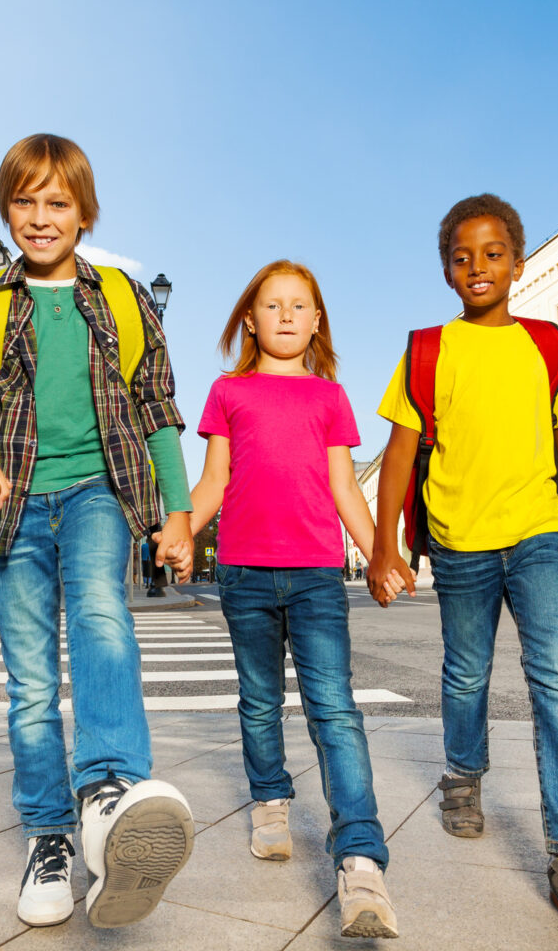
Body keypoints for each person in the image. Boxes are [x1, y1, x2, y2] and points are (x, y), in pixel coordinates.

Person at [0, 134, 196, 930]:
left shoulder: (122, 297)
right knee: (32, 681)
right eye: (24, 201)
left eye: (57, 203)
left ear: (83, 212)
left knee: (103, 624)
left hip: (98, 493)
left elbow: (157, 407)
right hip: (13, 502)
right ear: (7, 206)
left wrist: (174, 513)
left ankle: (108, 791)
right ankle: (49, 835)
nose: (39, 218)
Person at [367, 193, 558, 942]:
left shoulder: (547, 345)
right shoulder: (429, 348)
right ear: (448, 271)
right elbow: (396, 456)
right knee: (466, 672)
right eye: (463, 257)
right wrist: (386, 545)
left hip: (537, 534)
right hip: (458, 540)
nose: (478, 267)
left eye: (493, 254)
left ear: (518, 263)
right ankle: (463, 773)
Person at [189, 260, 397, 940]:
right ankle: (270, 800)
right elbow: (214, 480)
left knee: (334, 708)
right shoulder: (228, 390)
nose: (284, 314)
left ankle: (361, 854)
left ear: (316, 321)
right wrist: (178, 528)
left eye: (298, 305)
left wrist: (378, 553)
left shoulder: (329, 397)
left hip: (314, 573)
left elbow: (344, 487)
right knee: (257, 700)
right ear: (250, 318)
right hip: (244, 572)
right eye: (271, 304)